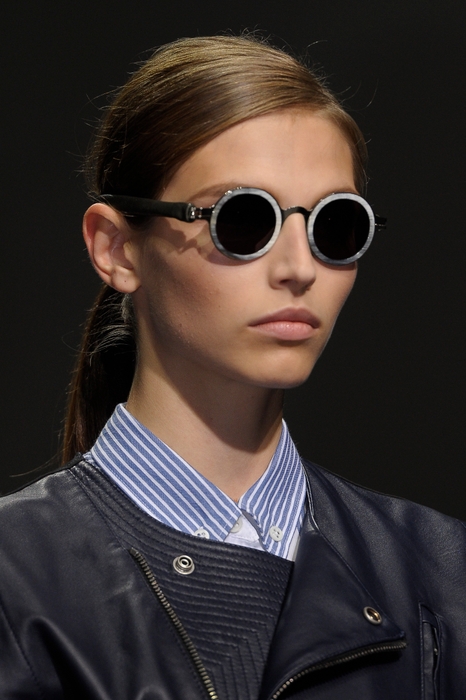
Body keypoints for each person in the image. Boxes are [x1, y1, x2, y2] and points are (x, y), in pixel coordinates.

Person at [0, 35, 464, 700]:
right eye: (244, 220)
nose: (299, 268)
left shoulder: (443, 576)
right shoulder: (17, 578)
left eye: (335, 226)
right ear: (117, 248)